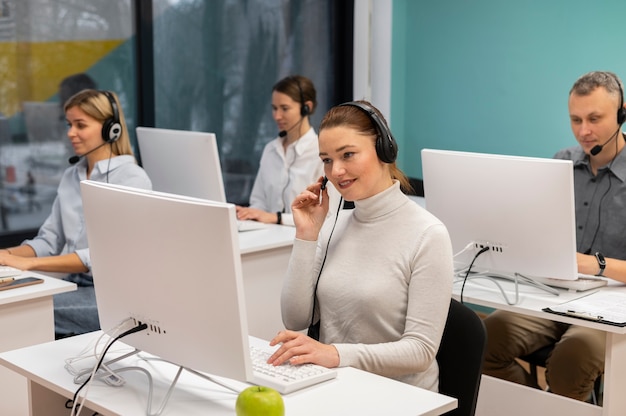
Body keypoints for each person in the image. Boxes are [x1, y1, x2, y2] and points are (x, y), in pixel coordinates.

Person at [267, 100, 454, 391]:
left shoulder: (428, 234)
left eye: (348, 155)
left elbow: (420, 351)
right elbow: (295, 318)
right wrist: (306, 236)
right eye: (327, 159)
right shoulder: (333, 225)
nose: (337, 170)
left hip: (400, 398)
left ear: (384, 149)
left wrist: (336, 354)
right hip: (337, 386)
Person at [483, 71, 626, 401]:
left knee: (571, 358)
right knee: (484, 338)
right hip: (553, 294)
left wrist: (595, 265)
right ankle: (540, 405)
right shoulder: (561, 163)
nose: (583, 131)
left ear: (621, 115)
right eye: (575, 119)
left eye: (594, 118)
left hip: (611, 308)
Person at [0, 89, 152, 338]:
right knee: (14, 301)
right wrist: (6, 255)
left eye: (80, 125)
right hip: (71, 284)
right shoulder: (72, 176)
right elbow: (49, 241)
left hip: (111, 296)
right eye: (69, 124)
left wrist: (29, 263)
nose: (71, 133)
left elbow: (101, 256)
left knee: (20, 310)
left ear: (110, 129)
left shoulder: (133, 180)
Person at [236, 75, 323, 226]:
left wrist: (277, 218)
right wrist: (250, 214)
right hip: (268, 236)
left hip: (303, 239)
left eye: (284, 108)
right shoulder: (270, 150)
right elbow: (258, 201)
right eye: (274, 108)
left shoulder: (322, 152)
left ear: (306, 108)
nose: (277, 116)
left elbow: (325, 215)